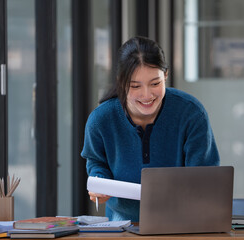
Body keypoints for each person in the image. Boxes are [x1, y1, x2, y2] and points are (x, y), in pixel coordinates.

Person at [81, 36, 219, 222]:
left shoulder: (191, 114)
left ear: (166, 75)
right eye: (135, 86)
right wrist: (100, 182)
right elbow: (97, 162)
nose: (147, 95)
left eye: (155, 83)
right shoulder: (101, 120)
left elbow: (205, 177)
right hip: (122, 225)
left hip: (183, 224)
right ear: (120, 82)